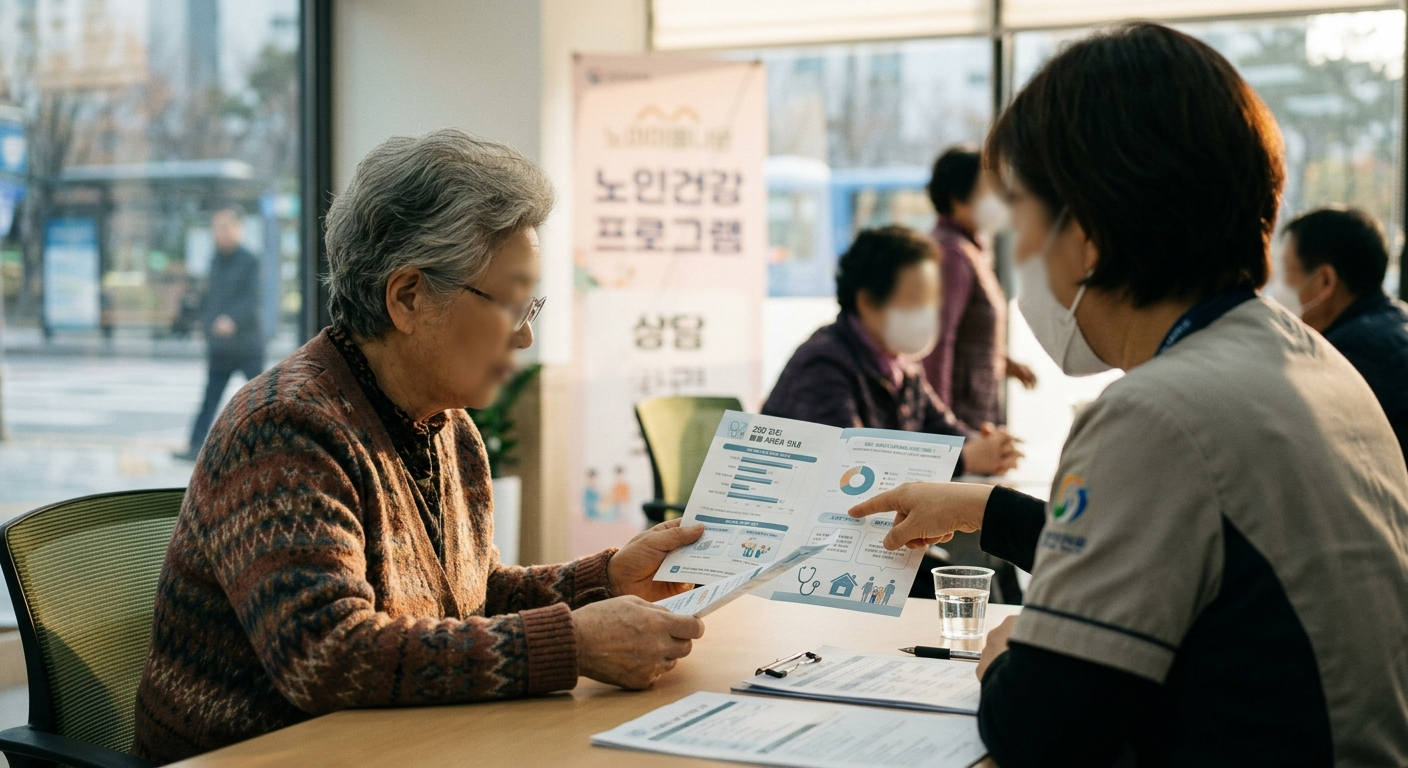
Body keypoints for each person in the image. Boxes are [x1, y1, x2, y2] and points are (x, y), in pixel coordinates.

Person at [850, 24, 1408, 767]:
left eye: (1023, 226)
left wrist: (1005, 653)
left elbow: (1043, 729)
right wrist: (984, 509)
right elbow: (1165, 548)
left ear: (1087, 237)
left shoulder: (1158, 411)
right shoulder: (1302, 360)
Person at [134, 130, 707, 763]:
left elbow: (473, 601)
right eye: (511, 304)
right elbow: (328, 657)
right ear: (408, 297)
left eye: (531, 307)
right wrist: (570, 641)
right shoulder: (283, 430)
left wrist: (606, 578)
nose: (523, 339)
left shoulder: (446, 425)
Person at [762, 225, 1021, 479]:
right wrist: (964, 460)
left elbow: (943, 430)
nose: (930, 313)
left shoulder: (902, 366)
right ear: (866, 301)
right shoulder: (823, 364)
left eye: (933, 300)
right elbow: (851, 466)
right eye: (915, 299)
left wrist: (987, 444)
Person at [1280, 206, 1408, 465]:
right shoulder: (1395, 321)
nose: (1276, 291)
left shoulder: (1350, 358)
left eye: (1284, 274)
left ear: (1325, 281)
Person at [923, 147, 1037, 428]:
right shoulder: (951, 255)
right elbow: (938, 343)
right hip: (960, 424)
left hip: (973, 417)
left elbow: (967, 335)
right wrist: (941, 431)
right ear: (957, 198)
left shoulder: (968, 250)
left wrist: (1002, 361)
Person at [177, 206, 265, 461]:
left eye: (225, 227)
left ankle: (270, 444)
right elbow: (211, 299)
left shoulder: (250, 260)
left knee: (260, 399)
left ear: (239, 228)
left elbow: (252, 299)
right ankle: (195, 447)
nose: (219, 233)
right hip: (220, 347)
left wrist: (231, 320)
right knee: (209, 398)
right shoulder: (215, 260)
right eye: (216, 228)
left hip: (247, 345)